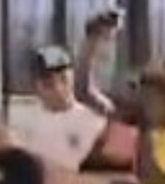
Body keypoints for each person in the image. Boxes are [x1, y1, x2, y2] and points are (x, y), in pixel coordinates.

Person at [8, 45, 108, 175]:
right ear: (35, 86)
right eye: (48, 83)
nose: (58, 88)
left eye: (63, 79)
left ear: (72, 77)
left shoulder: (94, 123)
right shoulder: (21, 125)